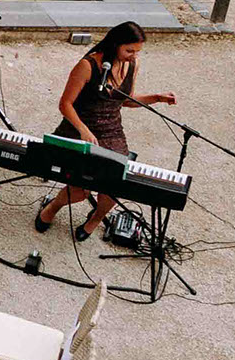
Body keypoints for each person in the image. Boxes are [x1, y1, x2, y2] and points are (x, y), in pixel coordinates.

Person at [36, 22, 175, 240]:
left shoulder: (132, 65)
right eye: (129, 50)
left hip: (111, 131)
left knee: (114, 185)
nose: (133, 56)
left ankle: (96, 219)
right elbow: (65, 104)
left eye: (137, 51)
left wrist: (156, 98)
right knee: (81, 189)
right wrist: (83, 129)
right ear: (115, 44)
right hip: (79, 128)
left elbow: (125, 101)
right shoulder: (88, 65)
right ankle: (53, 207)